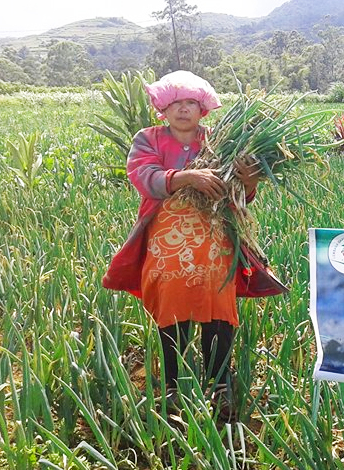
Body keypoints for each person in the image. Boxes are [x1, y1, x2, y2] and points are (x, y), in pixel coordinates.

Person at [102, 70, 261, 422]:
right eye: (176, 102)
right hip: (166, 229)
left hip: (213, 227)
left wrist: (248, 181)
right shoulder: (148, 139)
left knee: (218, 292)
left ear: (202, 109)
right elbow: (143, 177)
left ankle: (219, 382)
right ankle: (173, 382)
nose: (183, 109)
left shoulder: (220, 139)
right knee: (171, 286)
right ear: (163, 108)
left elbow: (240, 193)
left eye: (191, 102)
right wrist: (185, 177)